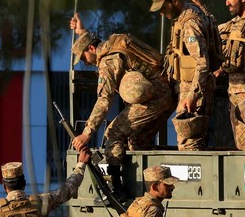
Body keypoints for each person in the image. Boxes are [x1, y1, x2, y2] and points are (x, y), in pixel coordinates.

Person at [69, 14, 174, 200]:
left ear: (92, 48)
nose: (85, 62)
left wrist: (87, 132)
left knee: (113, 133)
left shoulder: (107, 63)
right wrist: (82, 32)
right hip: (167, 93)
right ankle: (148, 190)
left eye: (83, 57)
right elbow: (93, 42)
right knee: (136, 140)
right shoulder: (112, 44)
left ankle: (116, 188)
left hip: (152, 99)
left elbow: (104, 100)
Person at [188, 0, 245, 150]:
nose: (227, 3)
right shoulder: (234, 24)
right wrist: (201, 5)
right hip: (234, 92)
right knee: (242, 144)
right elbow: (213, 30)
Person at [149, 0, 217, 150]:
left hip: (194, 89)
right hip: (190, 87)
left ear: (175, 2)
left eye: (163, 9)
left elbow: (202, 63)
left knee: (189, 143)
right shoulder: (190, 15)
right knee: (192, 141)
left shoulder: (189, 24)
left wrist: (192, 96)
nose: (162, 14)